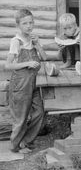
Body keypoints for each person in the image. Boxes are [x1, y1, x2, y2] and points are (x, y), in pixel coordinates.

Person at [4, 9, 47, 153]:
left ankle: (26, 141)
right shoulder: (16, 41)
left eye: (31, 22)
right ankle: (15, 146)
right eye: (25, 23)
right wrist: (26, 63)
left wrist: (38, 44)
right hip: (20, 84)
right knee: (21, 118)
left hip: (32, 83)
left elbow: (45, 58)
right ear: (18, 25)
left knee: (39, 112)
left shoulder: (32, 39)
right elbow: (8, 65)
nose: (29, 26)